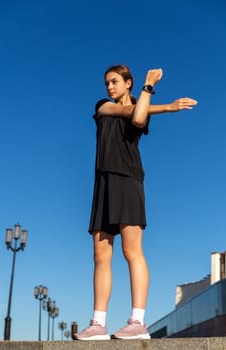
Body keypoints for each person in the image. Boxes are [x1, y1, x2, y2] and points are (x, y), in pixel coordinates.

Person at [73, 65, 197, 341]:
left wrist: (149, 88)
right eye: (107, 82)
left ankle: (137, 322)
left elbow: (139, 118)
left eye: (115, 82)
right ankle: (98, 324)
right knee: (101, 255)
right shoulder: (103, 105)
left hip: (129, 180)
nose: (109, 87)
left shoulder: (143, 103)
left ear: (129, 83)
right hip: (103, 184)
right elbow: (128, 111)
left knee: (132, 251)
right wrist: (169, 107)